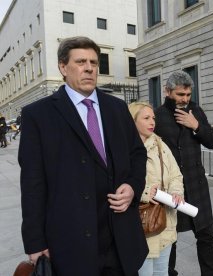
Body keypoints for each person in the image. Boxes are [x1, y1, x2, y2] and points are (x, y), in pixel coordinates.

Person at [19, 36, 148, 276]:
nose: (89, 68)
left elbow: (138, 154)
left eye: (93, 62)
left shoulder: (117, 108)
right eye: (80, 62)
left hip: (120, 238)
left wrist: (132, 186)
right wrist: (35, 241)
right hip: (71, 241)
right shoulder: (38, 115)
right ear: (62, 67)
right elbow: (32, 184)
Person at [154, 71, 213, 276]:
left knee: (206, 234)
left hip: (196, 185)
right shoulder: (157, 116)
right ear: (167, 91)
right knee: (169, 238)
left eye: (188, 95)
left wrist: (196, 126)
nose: (185, 99)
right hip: (171, 189)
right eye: (180, 94)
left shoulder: (196, 112)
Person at [128, 102, 185, 276]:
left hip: (164, 222)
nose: (152, 122)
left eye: (153, 118)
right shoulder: (124, 149)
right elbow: (118, 182)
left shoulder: (160, 145)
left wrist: (176, 192)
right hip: (141, 226)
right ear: (132, 121)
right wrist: (145, 192)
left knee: (162, 272)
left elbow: (176, 175)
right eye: (146, 118)